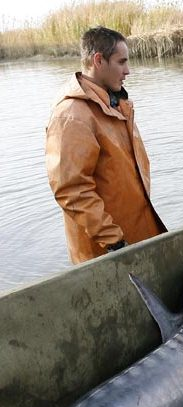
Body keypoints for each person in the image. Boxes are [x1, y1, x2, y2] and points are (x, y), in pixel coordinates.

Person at [46, 26, 166, 264]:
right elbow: (72, 191)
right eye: (121, 62)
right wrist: (114, 242)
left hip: (137, 238)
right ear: (98, 60)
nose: (128, 71)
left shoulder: (116, 104)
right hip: (108, 253)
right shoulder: (71, 115)